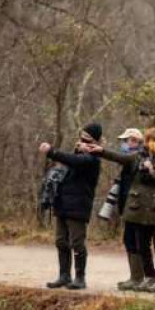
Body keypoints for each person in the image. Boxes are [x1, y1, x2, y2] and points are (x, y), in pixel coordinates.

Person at [87, 128, 155, 292]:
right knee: (142, 245)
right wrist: (101, 151)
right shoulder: (137, 157)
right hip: (139, 209)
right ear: (146, 142)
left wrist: (153, 171)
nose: (154, 143)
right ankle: (149, 277)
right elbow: (119, 157)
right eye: (151, 140)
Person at [38, 122, 102, 290]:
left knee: (77, 243)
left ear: (95, 142)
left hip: (79, 206)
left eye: (87, 139)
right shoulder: (77, 156)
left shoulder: (92, 159)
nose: (82, 141)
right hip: (63, 204)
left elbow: (73, 160)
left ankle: (80, 278)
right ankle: (64, 275)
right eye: (81, 137)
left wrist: (52, 152)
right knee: (61, 241)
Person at [112, 128, 144, 290]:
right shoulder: (128, 160)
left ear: (137, 141)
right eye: (125, 140)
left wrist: (99, 150)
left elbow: (116, 157)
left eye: (129, 140)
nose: (125, 143)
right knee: (129, 240)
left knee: (135, 240)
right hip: (127, 206)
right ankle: (135, 277)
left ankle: (139, 278)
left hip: (136, 208)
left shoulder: (137, 158)